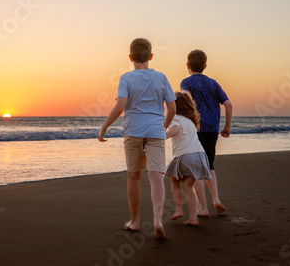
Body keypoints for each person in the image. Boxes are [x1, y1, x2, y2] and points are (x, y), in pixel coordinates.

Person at [98, 38, 176, 239]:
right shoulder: (161, 77)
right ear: (150, 57)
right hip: (155, 132)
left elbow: (120, 107)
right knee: (156, 176)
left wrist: (104, 127)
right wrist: (164, 126)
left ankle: (134, 221)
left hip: (133, 131)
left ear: (130, 57)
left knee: (134, 176)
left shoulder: (126, 78)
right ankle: (158, 220)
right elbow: (172, 108)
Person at [180, 49, 232, 216]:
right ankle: (216, 199)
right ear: (205, 65)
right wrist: (227, 127)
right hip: (212, 128)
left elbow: (186, 105)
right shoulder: (213, 83)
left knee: (195, 166)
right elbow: (228, 104)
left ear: (188, 65)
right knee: (209, 163)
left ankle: (203, 208)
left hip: (195, 128)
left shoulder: (186, 83)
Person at [165, 91, 212, 226]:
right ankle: (193, 218)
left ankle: (179, 209)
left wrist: (163, 136)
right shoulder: (191, 121)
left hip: (185, 155)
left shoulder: (175, 118)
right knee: (188, 186)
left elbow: (175, 130)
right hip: (200, 156)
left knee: (174, 180)